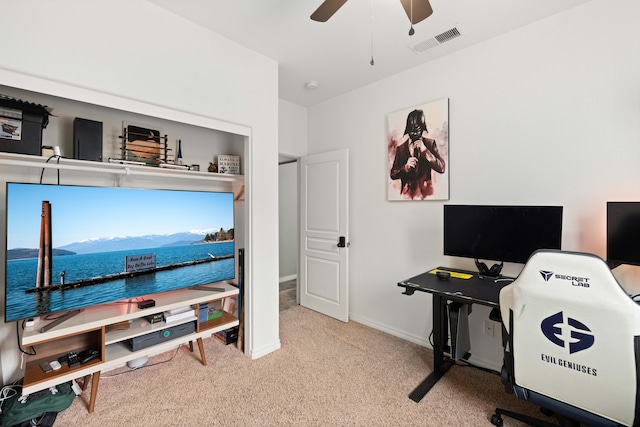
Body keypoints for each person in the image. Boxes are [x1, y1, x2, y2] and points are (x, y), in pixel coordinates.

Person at [390, 109, 445, 200]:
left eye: (418, 130)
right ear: (408, 130)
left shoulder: (430, 144)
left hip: (426, 196)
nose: (415, 133)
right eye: (412, 131)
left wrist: (425, 150)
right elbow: (393, 174)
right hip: (406, 196)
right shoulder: (400, 149)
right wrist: (405, 167)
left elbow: (441, 168)